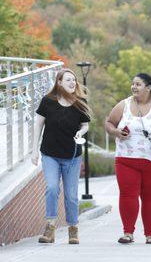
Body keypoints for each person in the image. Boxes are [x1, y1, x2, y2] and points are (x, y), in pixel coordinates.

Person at [105, 72, 151, 244]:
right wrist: (116, 131)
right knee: (127, 195)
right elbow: (109, 122)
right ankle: (128, 233)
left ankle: (150, 234)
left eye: (138, 84)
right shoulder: (123, 105)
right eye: (133, 84)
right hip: (126, 159)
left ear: (148, 87)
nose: (134, 87)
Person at [31, 68, 90, 244]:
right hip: (50, 154)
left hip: (72, 157)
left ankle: (73, 228)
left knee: (71, 195)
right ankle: (50, 228)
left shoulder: (80, 102)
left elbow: (85, 125)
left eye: (74, 80)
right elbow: (38, 126)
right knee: (51, 188)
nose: (73, 83)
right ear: (59, 83)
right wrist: (34, 150)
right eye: (68, 80)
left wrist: (81, 132)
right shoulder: (48, 101)